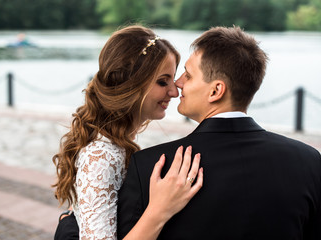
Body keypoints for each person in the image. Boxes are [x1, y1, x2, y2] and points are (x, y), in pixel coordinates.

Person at [117, 26, 321, 239]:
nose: (178, 83)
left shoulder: (153, 167)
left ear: (216, 91)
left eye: (188, 75)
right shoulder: (309, 162)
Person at [52, 25, 204, 240]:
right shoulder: (100, 156)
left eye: (173, 79)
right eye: (163, 81)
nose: (174, 91)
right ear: (132, 84)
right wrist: (160, 209)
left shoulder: (117, 145)